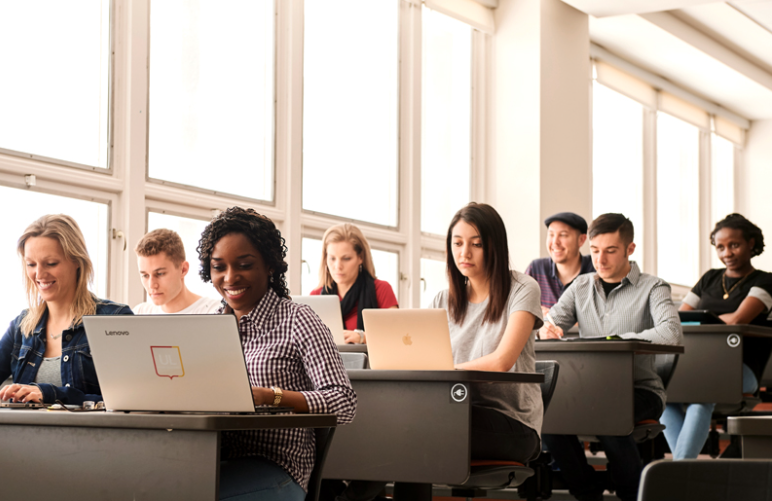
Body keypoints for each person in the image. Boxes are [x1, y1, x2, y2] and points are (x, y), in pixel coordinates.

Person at [196, 207, 356, 500]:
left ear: (269, 266)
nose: (230, 278)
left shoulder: (297, 319)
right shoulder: (209, 326)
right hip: (210, 461)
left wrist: (272, 396)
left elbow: (343, 402)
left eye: (243, 264)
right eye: (219, 267)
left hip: (277, 468)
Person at [539, 213, 682, 501]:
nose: (600, 260)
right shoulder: (580, 287)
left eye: (610, 251)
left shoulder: (654, 287)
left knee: (607, 413)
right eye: (594, 251)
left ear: (630, 249)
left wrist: (617, 340)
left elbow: (671, 334)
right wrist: (547, 330)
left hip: (641, 391)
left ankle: (634, 494)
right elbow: (548, 324)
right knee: (546, 417)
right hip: (588, 390)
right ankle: (587, 492)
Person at [430, 202, 543, 462]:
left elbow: (502, 361)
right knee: (401, 422)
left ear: (495, 246)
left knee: (416, 427)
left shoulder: (523, 288)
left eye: (476, 244)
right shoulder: (441, 300)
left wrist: (447, 371)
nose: (464, 253)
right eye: (457, 243)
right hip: (457, 407)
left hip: (512, 422)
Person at [662, 213, 772, 460]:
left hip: (742, 368)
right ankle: (684, 471)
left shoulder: (765, 281)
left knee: (701, 399)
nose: (727, 253)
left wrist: (704, 318)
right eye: (720, 247)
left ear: (751, 244)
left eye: (734, 245)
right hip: (699, 364)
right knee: (663, 398)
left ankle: (679, 471)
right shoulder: (710, 278)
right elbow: (680, 319)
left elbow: (737, 320)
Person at [0, 214, 133, 406]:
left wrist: (52, 394)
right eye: (31, 264)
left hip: (92, 437)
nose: (39, 274)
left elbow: (131, 401)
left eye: (51, 263)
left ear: (77, 261)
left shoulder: (114, 320)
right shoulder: (21, 326)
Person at [311, 223, 398, 344]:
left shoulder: (381, 289)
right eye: (332, 258)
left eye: (346, 258)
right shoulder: (315, 296)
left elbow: (398, 335)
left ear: (360, 257)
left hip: (371, 363)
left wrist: (364, 337)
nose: (338, 266)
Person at [133, 228, 221, 314]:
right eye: (145, 275)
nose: (152, 285)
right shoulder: (140, 313)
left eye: (160, 274)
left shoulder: (213, 312)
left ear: (183, 270)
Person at [525, 212, 595, 312]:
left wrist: (553, 318)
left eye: (563, 235)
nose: (555, 242)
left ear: (581, 240)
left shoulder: (596, 269)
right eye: (551, 235)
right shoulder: (536, 268)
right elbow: (520, 309)